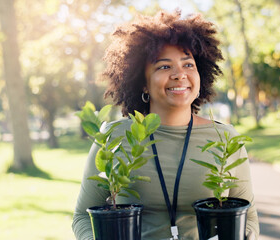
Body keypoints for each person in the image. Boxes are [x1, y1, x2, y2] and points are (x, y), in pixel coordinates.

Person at [72, 10, 259, 240]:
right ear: (143, 83)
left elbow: (248, 217)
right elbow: (82, 216)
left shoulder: (226, 138)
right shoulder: (112, 138)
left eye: (188, 64)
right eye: (164, 66)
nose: (180, 75)